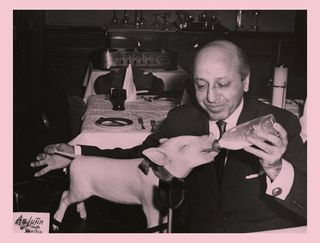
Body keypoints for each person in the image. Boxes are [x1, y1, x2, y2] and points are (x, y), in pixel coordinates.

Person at [31, 40, 306, 233]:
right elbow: (138, 156)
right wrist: (73, 154)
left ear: (245, 81)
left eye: (223, 84)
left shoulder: (280, 124)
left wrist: (277, 168)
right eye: (201, 85)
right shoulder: (182, 119)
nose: (210, 97)